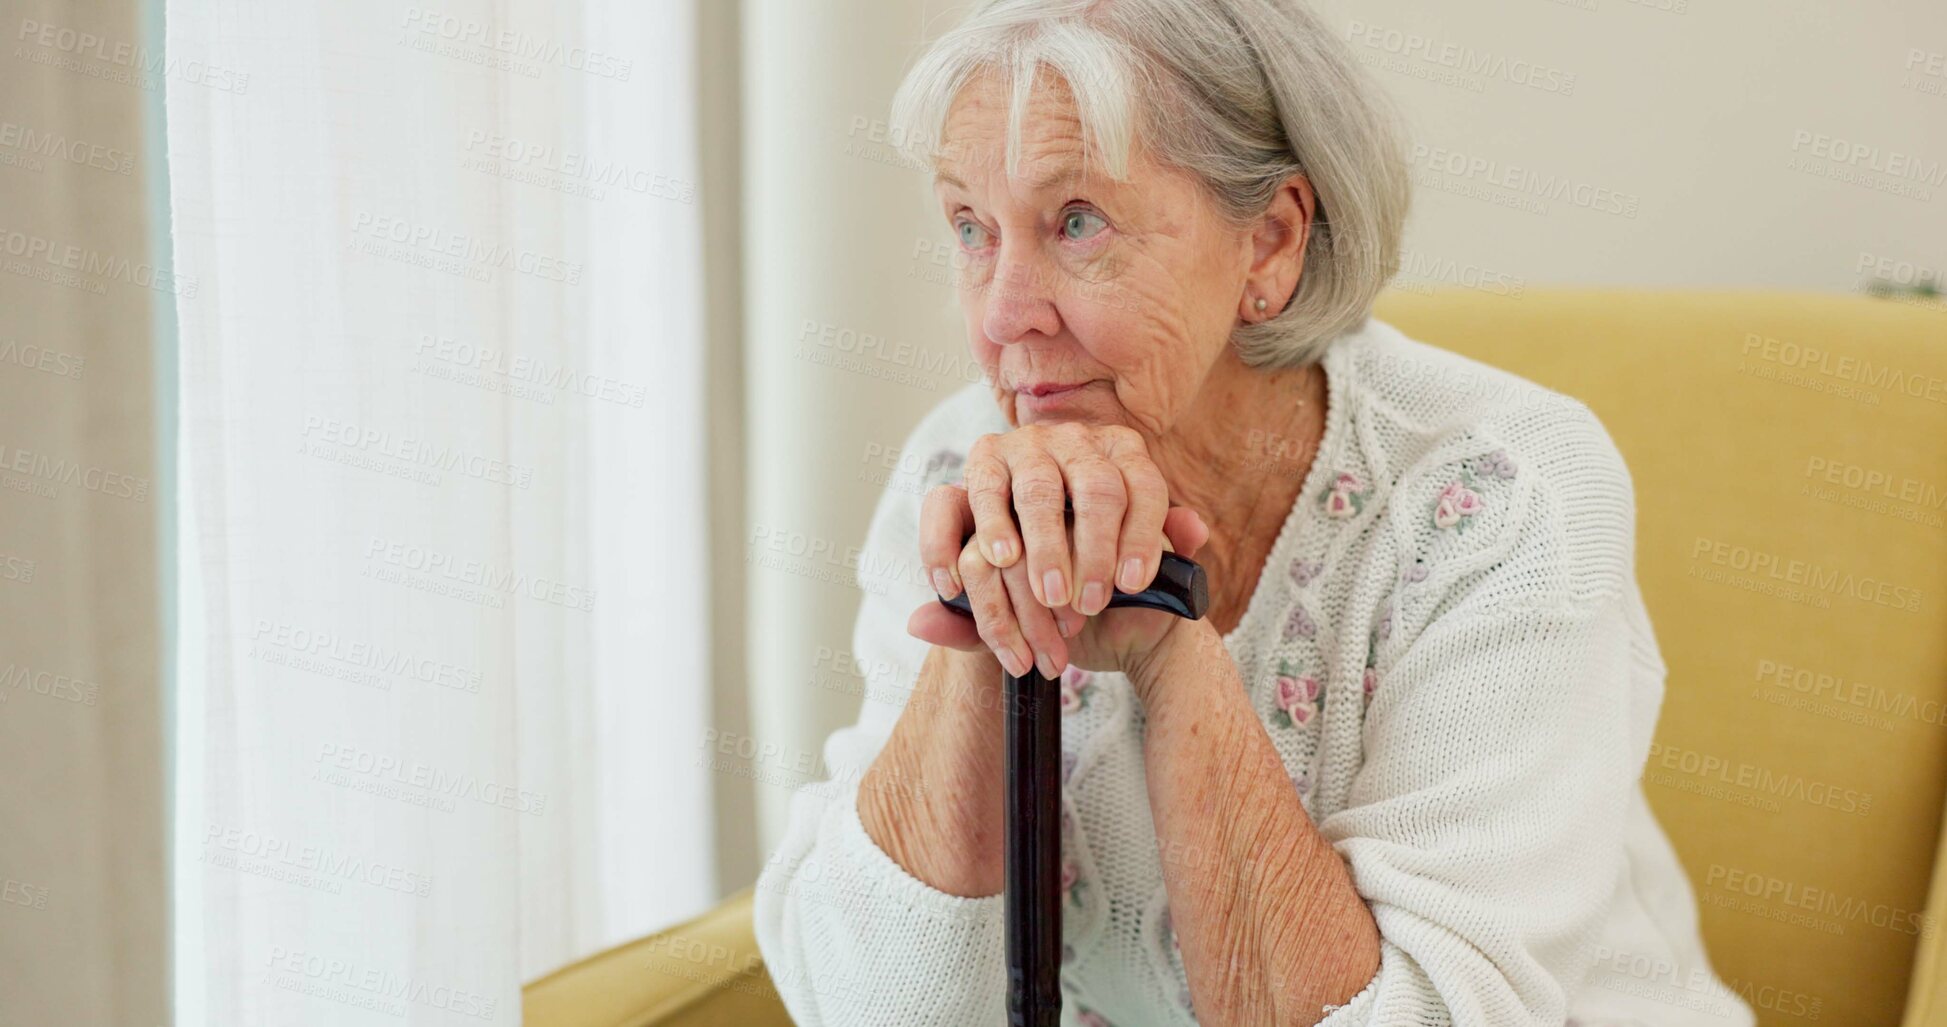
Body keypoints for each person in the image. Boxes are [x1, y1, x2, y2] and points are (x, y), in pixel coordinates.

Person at [754, 1, 1755, 1024]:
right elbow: (870, 1007)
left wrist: (1168, 641)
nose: (1003, 313)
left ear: (1270, 244)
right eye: (970, 226)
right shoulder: (955, 472)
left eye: (1078, 221)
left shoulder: (1502, 497)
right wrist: (988, 626)